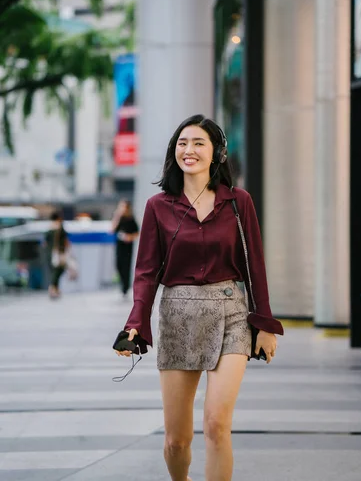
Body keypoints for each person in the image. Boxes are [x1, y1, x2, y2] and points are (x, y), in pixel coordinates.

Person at [114, 114, 284, 481]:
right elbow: (145, 272)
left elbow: (255, 265)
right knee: (177, 440)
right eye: (182, 143)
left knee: (216, 423)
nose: (188, 150)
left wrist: (265, 324)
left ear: (217, 153)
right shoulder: (158, 206)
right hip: (177, 315)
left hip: (231, 313)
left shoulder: (239, 202)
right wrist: (135, 324)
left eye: (198, 143)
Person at [111, 200, 139, 296]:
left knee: (126, 267)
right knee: (118, 265)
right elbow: (112, 230)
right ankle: (123, 284)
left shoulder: (131, 219)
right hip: (119, 246)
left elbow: (137, 232)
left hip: (128, 247)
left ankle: (125, 287)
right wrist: (117, 216)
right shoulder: (119, 218)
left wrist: (129, 237)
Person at [45, 211, 69, 299]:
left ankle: (55, 288)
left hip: (51, 253)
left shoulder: (49, 228)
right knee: (59, 270)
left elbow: (45, 242)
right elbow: (65, 240)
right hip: (59, 252)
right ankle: (53, 287)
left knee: (55, 270)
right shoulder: (60, 227)